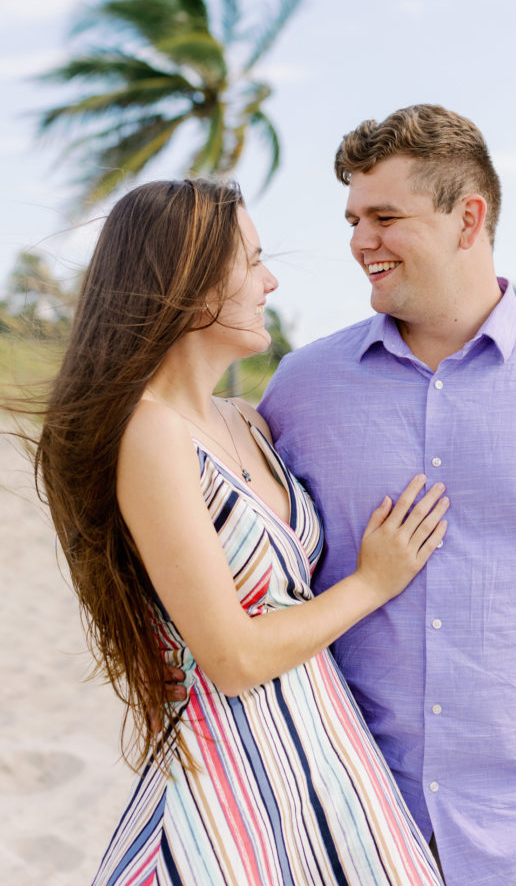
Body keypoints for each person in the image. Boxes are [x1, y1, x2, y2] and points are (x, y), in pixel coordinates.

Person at [258, 104, 516, 886]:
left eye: (385, 216)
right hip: (356, 832)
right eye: (353, 218)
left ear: (468, 218)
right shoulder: (300, 389)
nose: (359, 242)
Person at [36, 177, 448, 885]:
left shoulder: (247, 421)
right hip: (227, 790)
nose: (271, 281)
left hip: (322, 773)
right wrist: (373, 582)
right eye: (252, 261)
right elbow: (230, 657)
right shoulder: (150, 434)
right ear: (191, 287)